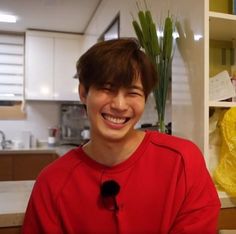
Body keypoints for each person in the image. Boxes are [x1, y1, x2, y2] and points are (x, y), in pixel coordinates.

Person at [22, 38, 220, 233]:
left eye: (133, 93)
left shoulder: (182, 161)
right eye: (107, 89)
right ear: (83, 92)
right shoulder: (52, 183)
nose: (119, 105)